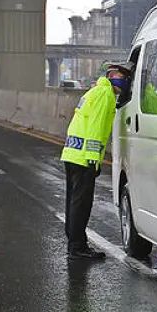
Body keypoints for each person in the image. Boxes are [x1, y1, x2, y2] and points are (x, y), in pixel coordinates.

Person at [61, 65, 131, 259]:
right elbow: (96, 127)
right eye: (121, 76)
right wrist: (93, 160)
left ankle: (75, 243)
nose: (124, 81)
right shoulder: (105, 94)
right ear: (111, 77)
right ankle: (77, 247)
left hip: (73, 154)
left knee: (74, 203)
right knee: (81, 205)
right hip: (83, 158)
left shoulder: (96, 90)